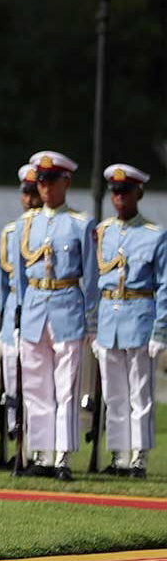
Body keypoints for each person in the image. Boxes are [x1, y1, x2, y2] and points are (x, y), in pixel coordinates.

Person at [11, 150, 96, 479]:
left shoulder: (80, 223)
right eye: (41, 182)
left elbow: (90, 275)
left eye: (51, 181)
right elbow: (20, 274)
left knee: (66, 387)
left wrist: (91, 321)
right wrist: (19, 311)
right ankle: (41, 454)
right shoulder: (26, 223)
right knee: (35, 388)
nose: (44, 188)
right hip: (34, 307)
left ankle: (61, 456)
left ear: (66, 182)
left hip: (67, 307)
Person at [93, 165, 165, 477]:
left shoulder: (154, 234)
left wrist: (160, 330)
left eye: (125, 192)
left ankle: (139, 456)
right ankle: (119, 455)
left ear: (138, 193)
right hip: (109, 320)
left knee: (140, 393)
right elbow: (96, 280)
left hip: (140, 318)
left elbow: (164, 284)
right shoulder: (104, 231)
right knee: (114, 395)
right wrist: (94, 326)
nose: (118, 198)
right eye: (114, 192)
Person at [0, 165, 43, 458]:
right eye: (25, 192)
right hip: (13, 312)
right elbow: (3, 283)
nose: (28, 198)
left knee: (38, 384)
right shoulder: (11, 231)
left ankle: (38, 446)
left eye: (33, 192)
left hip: (38, 311)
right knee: (12, 384)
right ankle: (16, 441)